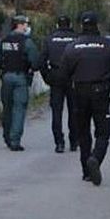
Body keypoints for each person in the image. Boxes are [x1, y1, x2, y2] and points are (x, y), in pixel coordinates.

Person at [59, 11, 110, 186]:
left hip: (79, 92)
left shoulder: (73, 47)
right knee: (103, 132)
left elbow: (64, 73)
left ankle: (86, 171)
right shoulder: (108, 45)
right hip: (101, 92)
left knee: (83, 132)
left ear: (81, 25)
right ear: (97, 25)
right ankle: (95, 158)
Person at [0, 15, 39, 152]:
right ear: (20, 25)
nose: (27, 27)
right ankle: (15, 140)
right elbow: (35, 62)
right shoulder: (27, 42)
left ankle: (7, 137)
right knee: (19, 108)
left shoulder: (2, 41)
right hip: (21, 78)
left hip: (6, 77)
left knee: (7, 108)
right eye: (26, 24)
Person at [38, 15, 78, 153]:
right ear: (70, 24)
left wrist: (47, 77)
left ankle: (59, 143)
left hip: (55, 76)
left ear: (57, 25)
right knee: (74, 111)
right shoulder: (76, 39)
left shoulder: (50, 40)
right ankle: (74, 141)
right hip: (73, 77)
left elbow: (41, 61)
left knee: (56, 112)